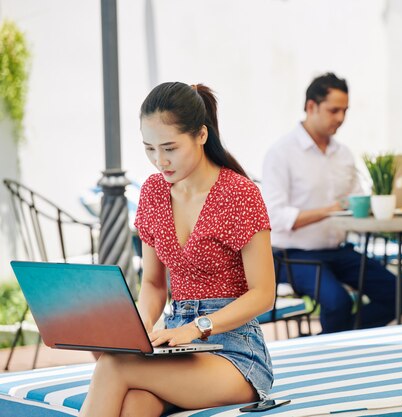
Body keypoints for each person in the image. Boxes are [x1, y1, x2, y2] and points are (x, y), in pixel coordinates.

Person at [79, 82, 275, 417]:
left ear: (201, 135)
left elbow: (263, 293)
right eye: (149, 149)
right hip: (175, 344)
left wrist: (198, 327)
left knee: (114, 367)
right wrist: (137, 332)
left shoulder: (240, 194)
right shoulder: (154, 193)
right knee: (134, 405)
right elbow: (154, 285)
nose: (160, 161)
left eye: (169, 148)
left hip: (234, 352)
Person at [262, 72, 402, 333]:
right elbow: (274, 218)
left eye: (345, 111)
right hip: (294, 256)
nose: (341, 118)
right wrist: (329, 210)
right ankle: (333, 346)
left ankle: (331, 342)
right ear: (311, 107)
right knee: (337, 303)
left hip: (339, 251)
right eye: (334, 110)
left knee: (400, 294)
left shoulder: (343, 154)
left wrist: (379, 203)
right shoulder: (281, 153)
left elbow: (353, 202)